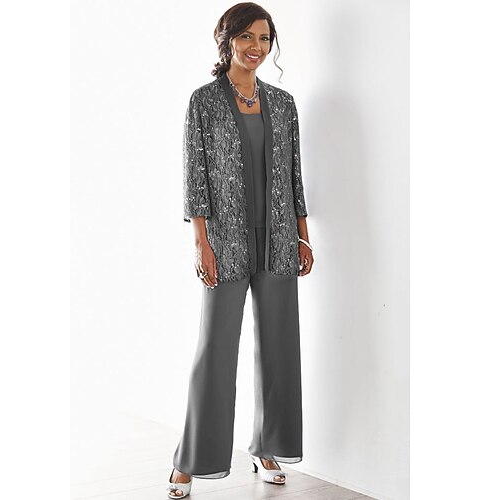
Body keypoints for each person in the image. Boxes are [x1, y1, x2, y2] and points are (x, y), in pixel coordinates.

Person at [166, 3, 314, 498]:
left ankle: (266, 445)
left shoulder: (283, 103)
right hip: (225, 242)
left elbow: (293, 174)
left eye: (265, 38)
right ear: (227, 40)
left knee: (279, 348)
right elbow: (195, 177)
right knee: (215, 350)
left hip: (278, 240)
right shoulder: (204, 101)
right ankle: (190, 460)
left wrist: (302, 233)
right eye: (247, 37)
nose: (257, 47)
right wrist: (201, 243)